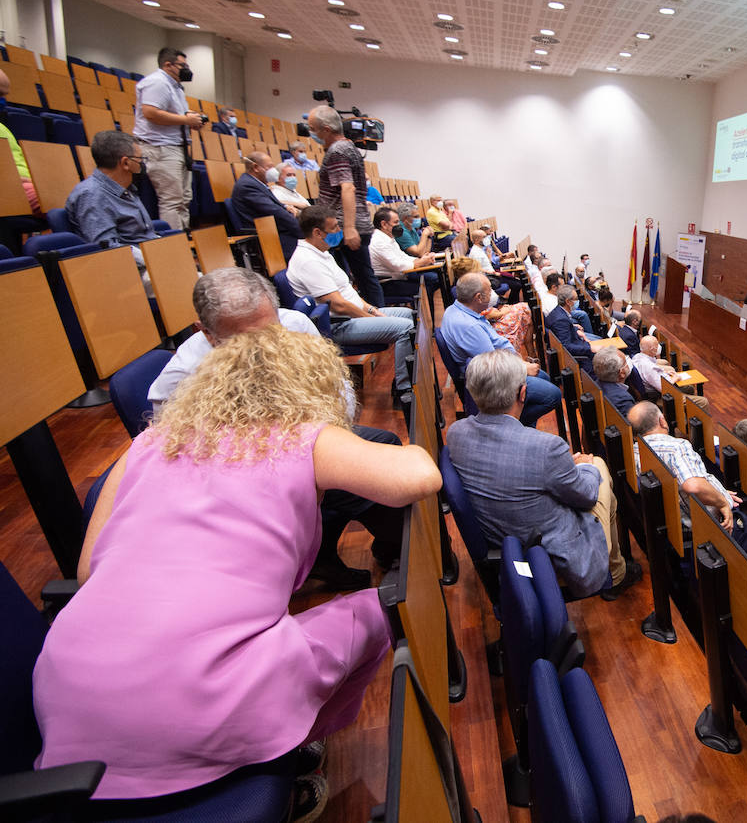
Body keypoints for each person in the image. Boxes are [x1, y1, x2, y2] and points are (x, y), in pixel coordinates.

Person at [32, 326, 441, 805]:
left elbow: (86, 574)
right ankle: (293, 735)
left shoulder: (149, 443)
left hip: (66, 695)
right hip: (195, 704)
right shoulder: (299, 438)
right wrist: (414, 445)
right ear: (311, 385)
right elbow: (418, 475)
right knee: (379, 608)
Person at [144, 267, 403, 590]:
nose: (263, 347)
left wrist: (329, 437)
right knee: (373, 481)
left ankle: (385, 549)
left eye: (269, 331)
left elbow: (338, 387)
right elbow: (179, 459)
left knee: (386, 444)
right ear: (206, 332)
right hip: (242, 473)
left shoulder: (294, 323)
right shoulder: (181, 378)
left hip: (305, 438)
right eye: (242, 339)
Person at [447, 350, 640, 599]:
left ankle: (613, 566)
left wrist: (562, 468)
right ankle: (615, 574)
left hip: (502, 539)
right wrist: (586, 466)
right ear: (523, 393)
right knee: (600, 468)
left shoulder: (456, 432)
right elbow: (586, 497)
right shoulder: (545, 447)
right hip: (548, 552)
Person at [287, 205, 416, 401]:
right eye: (334, 228)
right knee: (405, 328)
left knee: (409, 315)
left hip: (351, 314)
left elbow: (349, 293)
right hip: (337, 325)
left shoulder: (323, 252)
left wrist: (372, 310)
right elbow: (338, 305)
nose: (339, 231)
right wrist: (372, 319)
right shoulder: (308, 260)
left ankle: (409, 377)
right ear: (317, 232)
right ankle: (403, 389)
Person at [628, 401, 747, 558]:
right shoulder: (676, 447)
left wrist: (717, 492)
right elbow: (693, 486)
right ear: (662, 420)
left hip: (677, 525)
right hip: (708, 525)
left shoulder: (635, 453)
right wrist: (721, 501)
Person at [437, 272, 561, 426]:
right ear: (478, 298)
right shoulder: (469, 326)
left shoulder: (458, 309)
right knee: (553, 395)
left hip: (498, 364)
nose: (494, 294)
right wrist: (522, 368)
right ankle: (508, 426)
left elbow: (496, 343)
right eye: (489, 290)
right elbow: (494, 365)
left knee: (543, 378)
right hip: (490, 381)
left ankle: (520, 425)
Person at [307, 103, 383, 307]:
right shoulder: (349, 147)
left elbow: (347, 188)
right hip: (355, 222)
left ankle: (379, 326)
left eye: (313, 129)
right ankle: (379, 321)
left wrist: (348, 228)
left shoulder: (337, 151)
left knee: (349, 281)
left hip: (342, 226)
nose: (310, 134)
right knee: (363, 278)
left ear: (327, 129)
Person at [133, 47, 205, 231]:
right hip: (161, 148)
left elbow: (175, 113)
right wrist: (185, 119)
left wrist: (191, 119)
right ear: (168, 65)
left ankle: (184, 235)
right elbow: (150, 112)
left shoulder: (176, 86)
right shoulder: (157, 83)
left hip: (176, 148)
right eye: (183, 65)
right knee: (172, 200)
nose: (186, 69)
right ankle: (176, 243)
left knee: (183, 199)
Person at [65, 130, 158, 264]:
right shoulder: (92, 195)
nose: (143, 163)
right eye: (140, 159)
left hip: (149, 259)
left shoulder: (127, 188)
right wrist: (154, 260)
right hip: (129, 271)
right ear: (126, 163)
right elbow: (108, 249)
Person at [369, 206, 451, 307]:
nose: (399, 225)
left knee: (434, 280)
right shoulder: (378, 241)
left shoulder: (388, 237)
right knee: (428, 284)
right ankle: (428, 319)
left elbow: (403, 257)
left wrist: (422, 259)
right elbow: (398, 265)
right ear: (384, 224)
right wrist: (420, 262)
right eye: (395, 222)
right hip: (387, 283)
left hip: (399, 278)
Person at [231, 150, 303, 262]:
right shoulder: (247, 186)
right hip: (268, 235)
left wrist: (285, 206)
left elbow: (273, 206)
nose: (273, 171)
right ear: (255, 167)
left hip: (275, 228)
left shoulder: (256, 183)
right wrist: (303, 231)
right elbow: (275, 213)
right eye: (270, 167)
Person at [0, 69, 41, 215]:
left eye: (5, 95)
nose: (3, 100)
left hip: (26, 183)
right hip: (10, 189)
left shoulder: (3, 129)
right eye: (0, 94)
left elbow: (19, 162)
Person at [630, 335, 708, 409]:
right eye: (657, 345)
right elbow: (663, 388)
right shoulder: (649, 368)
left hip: (656, 386)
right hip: (659, 396)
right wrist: (675, 378)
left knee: (689, 388)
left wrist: (663, 371)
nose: (659, 347)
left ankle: (687, 412)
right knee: (703, 401)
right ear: (652, 349)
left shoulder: (638, 356)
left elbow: (652, 373)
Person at [547, 284, 594, 366]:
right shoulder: (561, 320)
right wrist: (590, 348)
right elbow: (566, 347)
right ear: (568, 302)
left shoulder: (559, 311)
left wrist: (575, 329)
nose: (578, 301)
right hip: (577, 354)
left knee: (598, 340)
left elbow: (565, 331)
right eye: (576, 299)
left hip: (575, 338)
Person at [592, 346, 636, 417]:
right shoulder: (623, 401)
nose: (628, 364)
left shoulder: (595, 383)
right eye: (626, 362)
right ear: (622, 373)